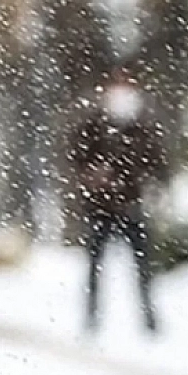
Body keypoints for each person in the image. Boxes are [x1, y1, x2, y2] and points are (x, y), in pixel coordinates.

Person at [70, 71, 168, 335]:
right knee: (95, 266)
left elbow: (156, 161)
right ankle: (92, 317)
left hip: (131, 205)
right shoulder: (93, 124)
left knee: (143, 266)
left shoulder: (142, 126)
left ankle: (149, 318)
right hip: (100, 207)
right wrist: (93, 176)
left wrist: (152, 186)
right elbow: (77, 156)